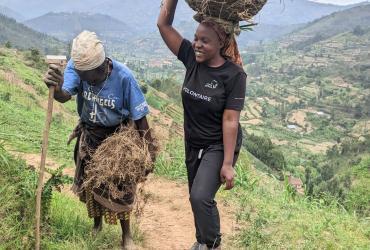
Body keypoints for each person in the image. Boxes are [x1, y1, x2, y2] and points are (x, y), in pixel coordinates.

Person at [43, 30, 154, 249]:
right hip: (90, 135)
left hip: (118, 140)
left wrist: (149, 153)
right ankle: (97, 225)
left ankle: (126, 235)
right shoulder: (79, 69)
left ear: (102, 66)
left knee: (121, 188)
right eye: (81, 74)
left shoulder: (123, 77)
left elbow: (141, 119)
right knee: (91, 184)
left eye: (88, 75)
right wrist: (55, 86)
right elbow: (64, 96)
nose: (84, 80)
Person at [157, 1, 247, 249]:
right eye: (196, 38)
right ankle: (201, 241)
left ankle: (213, 244)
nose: (197, 44)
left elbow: (231, 119)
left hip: (218, 145)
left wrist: (227, 163)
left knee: (200, 197)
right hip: (193, 142)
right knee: (195, 197)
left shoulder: (234, 75)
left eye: (204, 41)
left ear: (221, 43)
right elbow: (163, 24)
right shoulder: (191, 58)